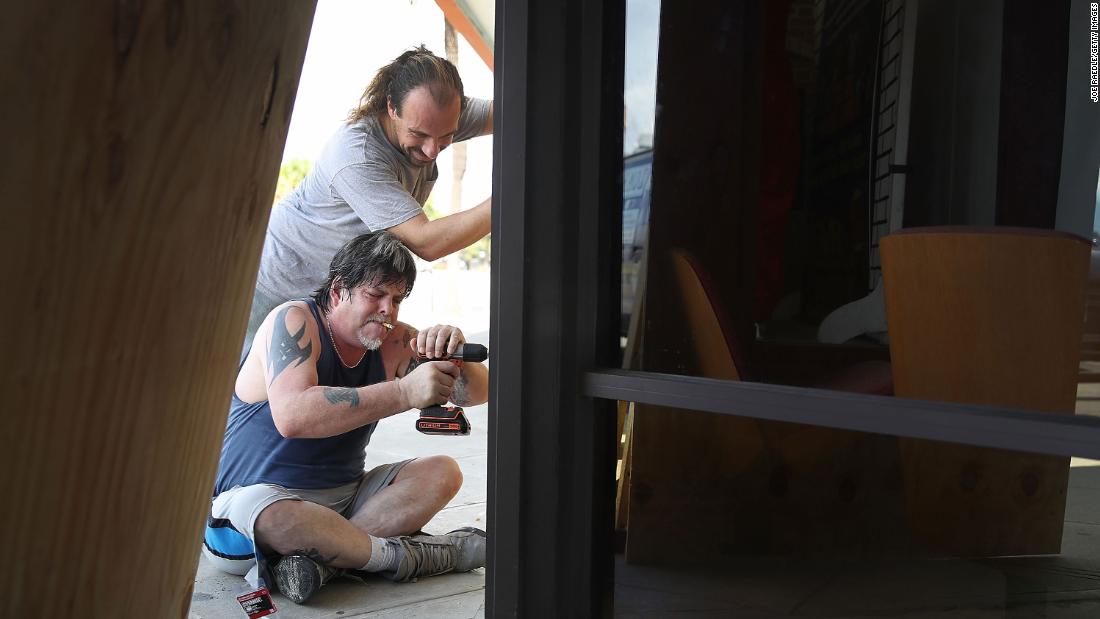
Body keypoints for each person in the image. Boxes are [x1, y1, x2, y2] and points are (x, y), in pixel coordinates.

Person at [204, 231, 490, 604]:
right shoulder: (292, 321)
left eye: (397, 299)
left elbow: (478, 394)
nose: (388, 309)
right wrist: (404, 392)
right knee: (270, 514)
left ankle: (323, 562)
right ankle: (417, 557)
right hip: (253, 505)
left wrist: (452, 355)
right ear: (339, 291)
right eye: (376, 295)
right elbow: (294, 417)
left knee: (443, 471)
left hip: (346, 502)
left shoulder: (393, 342)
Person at [244, 45, 494, 358]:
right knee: (250, 400)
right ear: (391, 106)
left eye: (447, 136)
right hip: (273, 288)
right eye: (419, 135)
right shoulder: (357, 154)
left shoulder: (437, 115)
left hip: (334, 298)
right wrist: (511, 197)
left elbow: (517, 111)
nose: (432, 150)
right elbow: (427, 243)